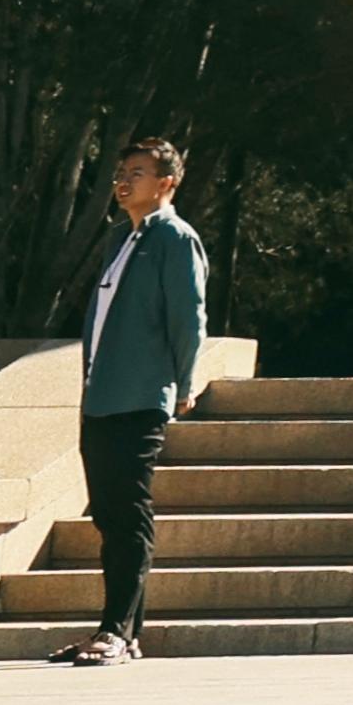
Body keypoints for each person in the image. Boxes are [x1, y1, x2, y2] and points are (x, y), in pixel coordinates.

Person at [55, 138, 209, 667]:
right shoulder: (121, 238)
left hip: (140, 396)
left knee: (128, 512)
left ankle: (114, 630)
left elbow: (188, 316)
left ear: (167, 182)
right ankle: (125, 634)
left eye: (138, 172)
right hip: (100, 396)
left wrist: (185, 382)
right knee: (109, 513)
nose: (124, 181)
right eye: (121, 172)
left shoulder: (174, 237)